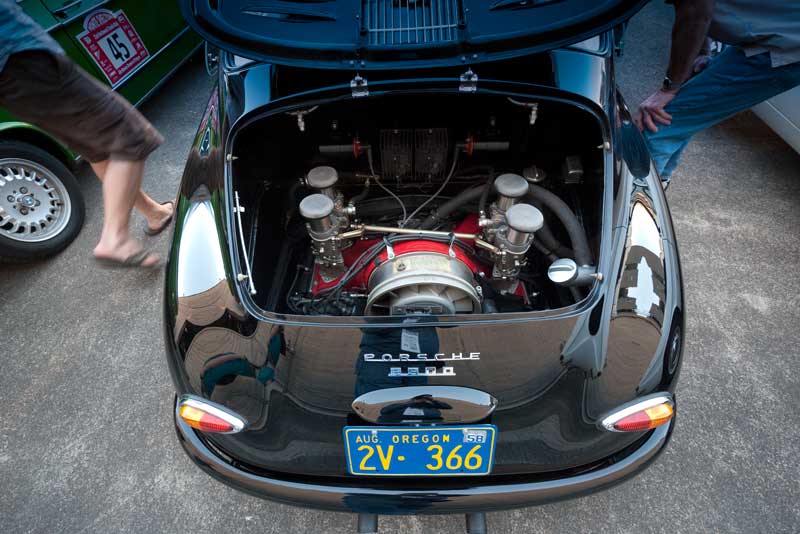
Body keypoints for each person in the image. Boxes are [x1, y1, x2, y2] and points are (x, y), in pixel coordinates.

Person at [0, 0, 174, 268]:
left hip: (14, 79)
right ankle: (114, 239)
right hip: (23, 60)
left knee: (98, 146)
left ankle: (154, 213)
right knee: (129, 134)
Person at [634, 0, 800, 184]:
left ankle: (637, 200)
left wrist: (670, 87)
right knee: (681, 118)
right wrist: (702, 52)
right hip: (772, 35)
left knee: (657, 124)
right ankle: (657, 185)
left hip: (781, 48)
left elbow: (695, 11)